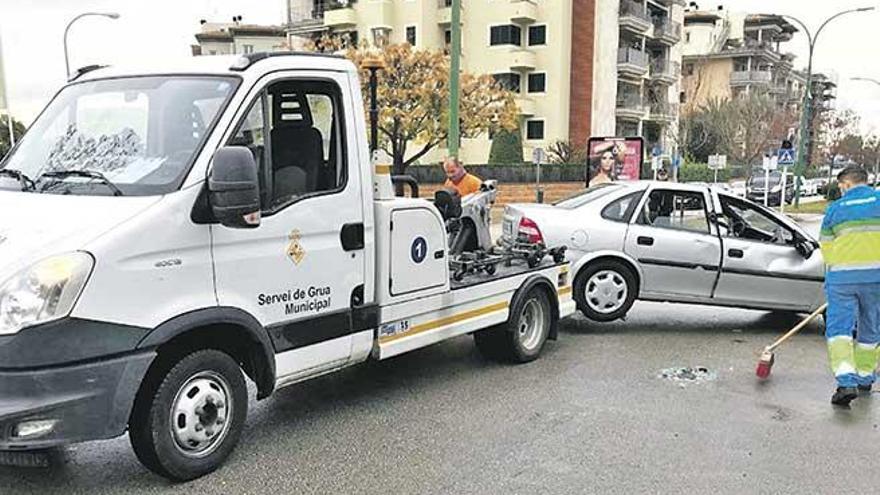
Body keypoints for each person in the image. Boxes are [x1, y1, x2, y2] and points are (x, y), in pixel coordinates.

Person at [819, 166, 880, 406]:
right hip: (876, 278)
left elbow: (826, 246)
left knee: (839, 330)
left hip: (842, 280)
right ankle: (865, 376)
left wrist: (838, 269)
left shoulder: (836, 209)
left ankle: (846, 381)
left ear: (845, 184)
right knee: (871, 326)